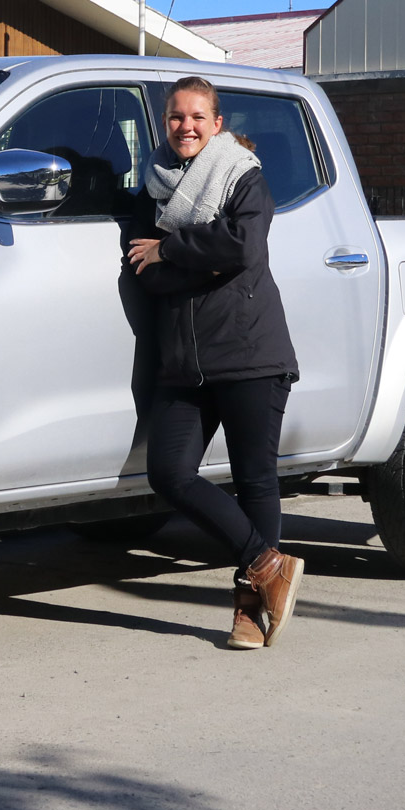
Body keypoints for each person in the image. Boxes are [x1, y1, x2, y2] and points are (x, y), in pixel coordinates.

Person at [126, 76, 303, 649]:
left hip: (249, 353)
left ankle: (251, 612)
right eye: (177, 117)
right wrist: (188, 259)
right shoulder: (152, 189)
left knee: (255, 480)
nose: (187, 127)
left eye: (198, 117)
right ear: (165, 123)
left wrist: (172, 248)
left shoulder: (243, 177)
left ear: (217, 124)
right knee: (168, 473)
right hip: (185, 362)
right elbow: (145, 271)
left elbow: (243, 247)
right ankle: (268, 564)